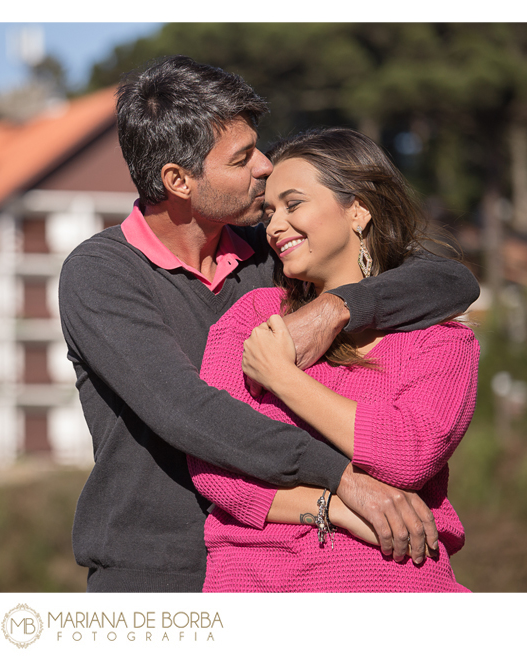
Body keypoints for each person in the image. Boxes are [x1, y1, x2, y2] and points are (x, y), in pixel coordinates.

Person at [58, 55, 480, 592]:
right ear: (178, 180)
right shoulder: (102, 274)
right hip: (156, 578)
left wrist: (335, 309)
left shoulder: (271, 257)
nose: (263, 164)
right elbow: (190, 414)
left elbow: (449, 282)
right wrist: (341, 481)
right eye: (241, 159)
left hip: (279, 567)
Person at [189, 127, 478, 592]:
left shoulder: (441, 339)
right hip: (261, 588)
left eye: (293, 204)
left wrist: (283, 378)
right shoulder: (254, 317)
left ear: (358, 209)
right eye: (269, 211)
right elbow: (216, 468)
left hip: (399, 588)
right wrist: (335, 504)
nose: (274, 225)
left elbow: (408, 458)